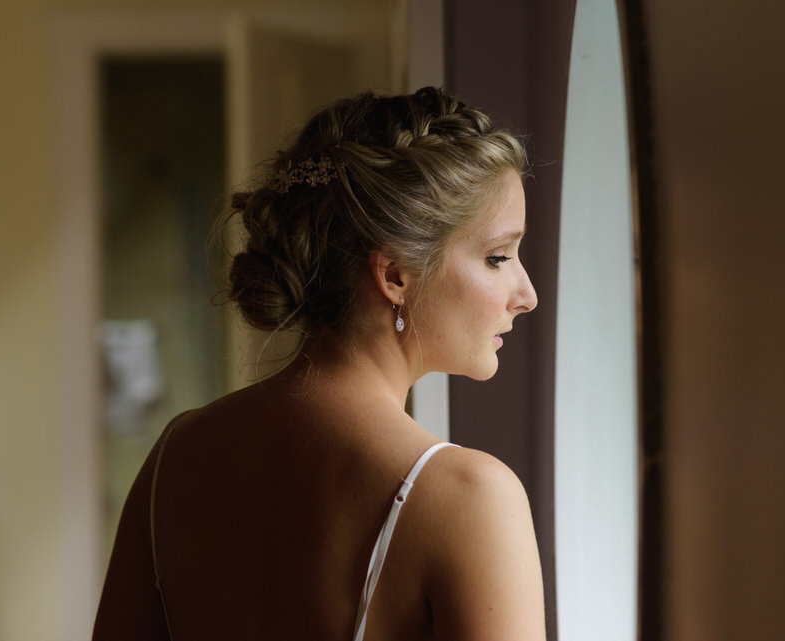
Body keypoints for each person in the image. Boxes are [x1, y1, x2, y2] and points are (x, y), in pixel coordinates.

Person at [92, 87, 544, 641]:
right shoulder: (469, 497)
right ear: (395, 275)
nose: (526, 294)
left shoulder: (174, 456)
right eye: (498, 257)